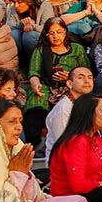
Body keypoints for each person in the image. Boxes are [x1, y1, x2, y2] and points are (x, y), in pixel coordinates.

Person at [25, 18, 92, 149]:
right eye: (51, 33)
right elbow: (34, 72)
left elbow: (86, 71)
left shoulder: (77, 49)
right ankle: (33, 145)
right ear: (46, 35)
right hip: (45, 86)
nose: (56, 36)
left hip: (72, 87)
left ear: (65, 32)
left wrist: (70, 76)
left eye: (59, 32)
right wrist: (36, 84)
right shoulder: (40, 50)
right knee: (35, 105)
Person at [44, 67, 97, 161]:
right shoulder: (63, 109)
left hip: (90, 155)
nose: (87, 81)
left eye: (90, 77)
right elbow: (65, 144)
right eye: (80, 78)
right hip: (66, 161)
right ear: (69, 83)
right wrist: (98, 155)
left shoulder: (90, 105)